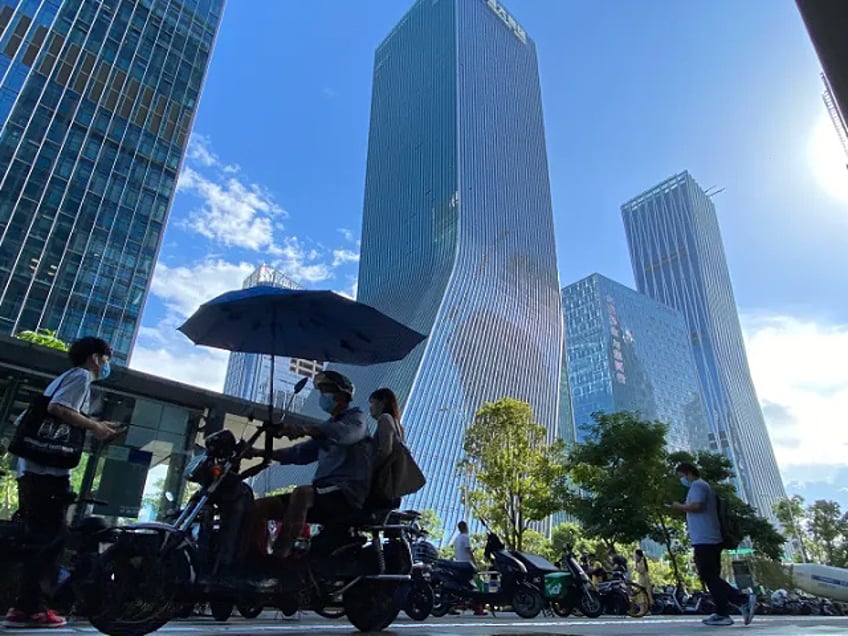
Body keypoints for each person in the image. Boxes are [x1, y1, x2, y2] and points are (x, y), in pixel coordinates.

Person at [5, 337, 119, 629]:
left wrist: (96, 423)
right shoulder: (81, 376)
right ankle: (31, 608)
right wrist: (94, 426)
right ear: (95, 358)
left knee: (42, 537)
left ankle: (24, 607)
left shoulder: (66, 377)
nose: (107, 365)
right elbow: (58, 409)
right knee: (51, 538)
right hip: (46, 472)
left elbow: (58, 410)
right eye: (106, 358)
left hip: (33, 468)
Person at [246, 371, 370, 559]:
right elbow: (299, 453)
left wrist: (304, 429)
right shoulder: (327, 427)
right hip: (322, 495)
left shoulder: (356, 419)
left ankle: (281, 557)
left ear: (342, 395)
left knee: (302, 493)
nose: (322, 396)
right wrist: (258, 453)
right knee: (260, 507)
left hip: (345, 494)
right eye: (320, 391)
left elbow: (344, 434)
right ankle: (253, 560)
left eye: (325, 390)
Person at [669, 462, 756, 627]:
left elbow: (697, 506)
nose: (681, 480)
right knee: (711, 577)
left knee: (708, 575)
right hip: (708, 539)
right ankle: (722, 613)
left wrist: (678, 506)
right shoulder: (700, 486)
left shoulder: (698, 485)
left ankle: (742, 600)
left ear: (687, 473)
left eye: (681, 477)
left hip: (706, 540)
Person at [453, 521, 485, 615]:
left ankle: (457, 605)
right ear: (465, 527)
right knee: (477, 584)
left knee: (463, 585)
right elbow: (468, 551)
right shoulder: (465, 537)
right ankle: (478, 608)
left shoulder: (457, 539)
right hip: (466, 564)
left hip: (458, 564)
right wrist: (474, 563)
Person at [368, 387, 404, 466]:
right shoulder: (397, 425)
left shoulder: (385, 418)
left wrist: (370, 468)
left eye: (372, 402)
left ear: (382, 403)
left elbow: (386, 451)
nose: (370, 408)